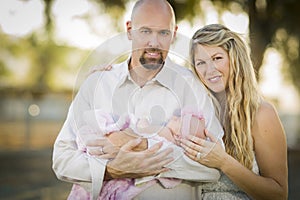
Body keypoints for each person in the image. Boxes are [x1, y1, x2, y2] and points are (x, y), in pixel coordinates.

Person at [52, 1, 224, 200]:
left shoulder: (192, 87)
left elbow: (213, 165)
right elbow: (62, 158)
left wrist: (145, 148)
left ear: (174, 34)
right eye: (145, 31)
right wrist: (111, 170)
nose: (154, 43)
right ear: (129, 30)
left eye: (163, 33)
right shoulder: (97, 84)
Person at [179, 24, 288, 199]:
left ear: (235, 58)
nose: (209, 70)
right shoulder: (195, 112)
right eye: (201, 63)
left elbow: (278, 194)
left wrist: (223, 162)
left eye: (217, 58)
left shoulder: (261, 114)